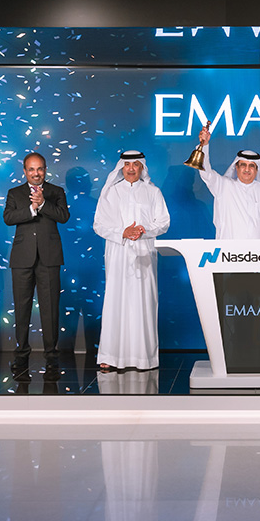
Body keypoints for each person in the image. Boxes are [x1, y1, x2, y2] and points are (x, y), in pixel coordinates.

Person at [93, 151, 171, 371]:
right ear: (121, 167)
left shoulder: (153, 192)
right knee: (116, 302)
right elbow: (99, 225)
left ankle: (143, 358)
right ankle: (110, 356)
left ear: (142, 168)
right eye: (127, 164)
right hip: (118, 253)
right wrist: (123, 232)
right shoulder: (111, 192)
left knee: (143, 303)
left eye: (136, 164)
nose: (131, 168)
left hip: (144, 254)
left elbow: (163, 223)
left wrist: (144, 230)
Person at [4, 152, 70, 375]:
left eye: (39, 168)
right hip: (22, 258)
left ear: (45, 170)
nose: (35, 173)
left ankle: (51, 356)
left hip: (49, 258)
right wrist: (32, 209)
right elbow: (8, 218)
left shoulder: (56, 192)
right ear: (24, 171)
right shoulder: (14, 193)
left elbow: (63, 216)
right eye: (31, 169)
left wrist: (42, 204)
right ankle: (21, 354)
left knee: (50, 308)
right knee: (21, 308)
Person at [193, 124, 260, 239]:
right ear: (236, 167)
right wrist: (204, 145)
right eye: (243, 165)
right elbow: (206, 172)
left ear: (256, 169)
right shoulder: (224, 186)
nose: (247, 169)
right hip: (229, 249)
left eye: (251, 166)